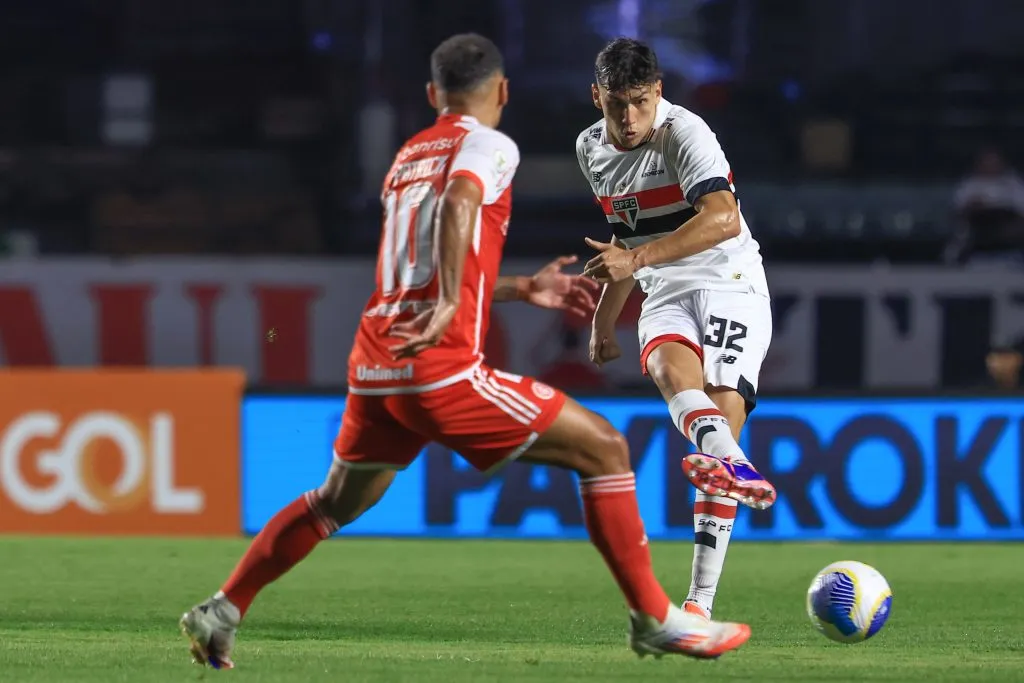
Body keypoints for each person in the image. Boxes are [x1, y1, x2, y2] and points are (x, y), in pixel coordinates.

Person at [179, 33, 751, 669]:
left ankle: (222, 608)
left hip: (377, 358)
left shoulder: (408, 155)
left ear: (432, 95)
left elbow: (414, 262)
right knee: (606, 450)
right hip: (438, 366)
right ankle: (656, 618)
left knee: (336, 500)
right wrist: (454, 303)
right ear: (502, 92)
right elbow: (461, 200)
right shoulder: (489, 145)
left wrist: (515, 288)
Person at [575, 38, 777, 621]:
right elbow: (629, 237)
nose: (629, 117)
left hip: (728, 279)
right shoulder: (590, 149)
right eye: (617, 104)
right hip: (662, 286)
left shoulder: (686, 133)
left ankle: (699, 602)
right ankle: (730, 459)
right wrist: (604, 318)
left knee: (720, 410)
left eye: (640, 102)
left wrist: (636, 264)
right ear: (598, 97)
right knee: (667, 369)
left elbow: (723, 218)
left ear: (658, 93)